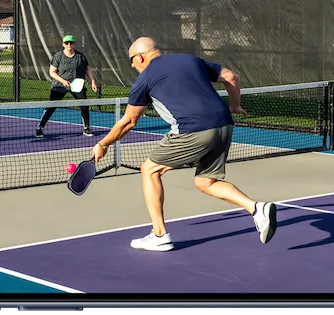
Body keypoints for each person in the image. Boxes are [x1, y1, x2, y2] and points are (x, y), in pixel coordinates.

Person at [91, 37, 278, 251]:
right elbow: (231, 77)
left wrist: (103, 144)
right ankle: (257, 209)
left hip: (192, 129)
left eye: (132, 61)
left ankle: (159, 234)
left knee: (149, 170)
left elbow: (129, 121)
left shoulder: (144, 80)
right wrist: (235, 105)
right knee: (206, 182)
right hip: (224, 125)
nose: (133, 66)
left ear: (140, 57)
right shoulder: (190, 60)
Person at [36, 34, 99, 138]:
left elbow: (87, 69)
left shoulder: (80, 56)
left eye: (71, 43)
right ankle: (40, 127)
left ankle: (86, 128)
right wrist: (63, 81)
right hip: (59, 85)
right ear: (63, 44)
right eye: (67, 43)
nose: (69, 44)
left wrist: (93, 81)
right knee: (51, 107)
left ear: (74, 44)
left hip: (77, 85)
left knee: (84, 105)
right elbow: (52, 72)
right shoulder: (58, 56)